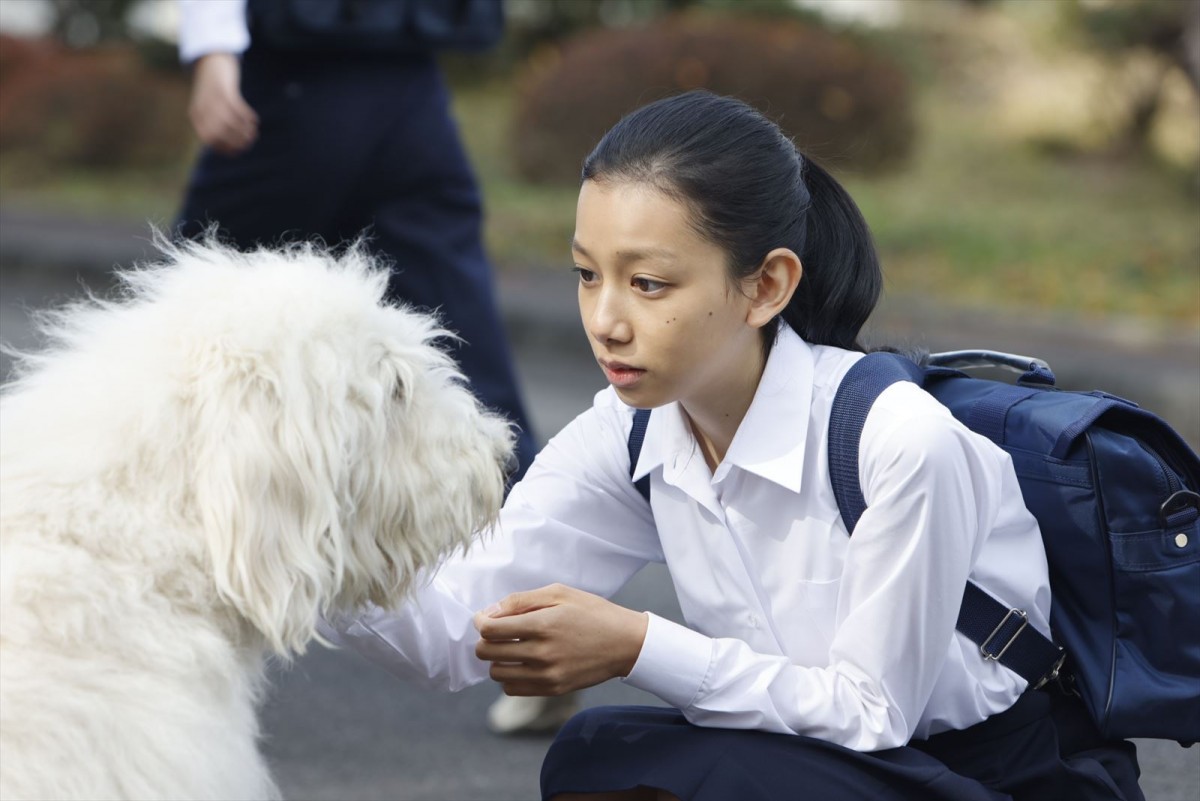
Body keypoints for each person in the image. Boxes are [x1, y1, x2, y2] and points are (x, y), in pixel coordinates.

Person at [321, 90, 1144, 800]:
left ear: (766, 285)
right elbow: (445, 633)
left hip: (997, 773)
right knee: (597, 754)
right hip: (815, 766)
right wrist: (294, 541)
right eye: (585, 274)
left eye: (648, 283)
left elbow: (870, 712)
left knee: (720, 776)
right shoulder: (632, 427)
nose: (606, 319)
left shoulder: (900, 440)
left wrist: (636, 643)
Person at [173, 0, 539, 487]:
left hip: (301, 73)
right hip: (411, 78)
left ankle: (151, 501)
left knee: (195, 313)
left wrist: (213, 47)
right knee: (455, 320)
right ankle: (522, 516)